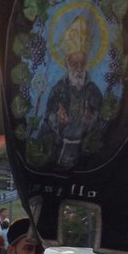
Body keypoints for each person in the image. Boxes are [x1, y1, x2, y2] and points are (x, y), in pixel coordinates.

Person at [42, 16, 104, 169]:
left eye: (81, 62)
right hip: (60, 149)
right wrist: (56, 119)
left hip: (87, 154)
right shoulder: (58, 90)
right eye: (73, 63)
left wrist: (91, 120)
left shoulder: (93, 91)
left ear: (86, 64)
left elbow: (104, 123)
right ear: (66, 64)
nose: (78, 67)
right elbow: (47, 120)